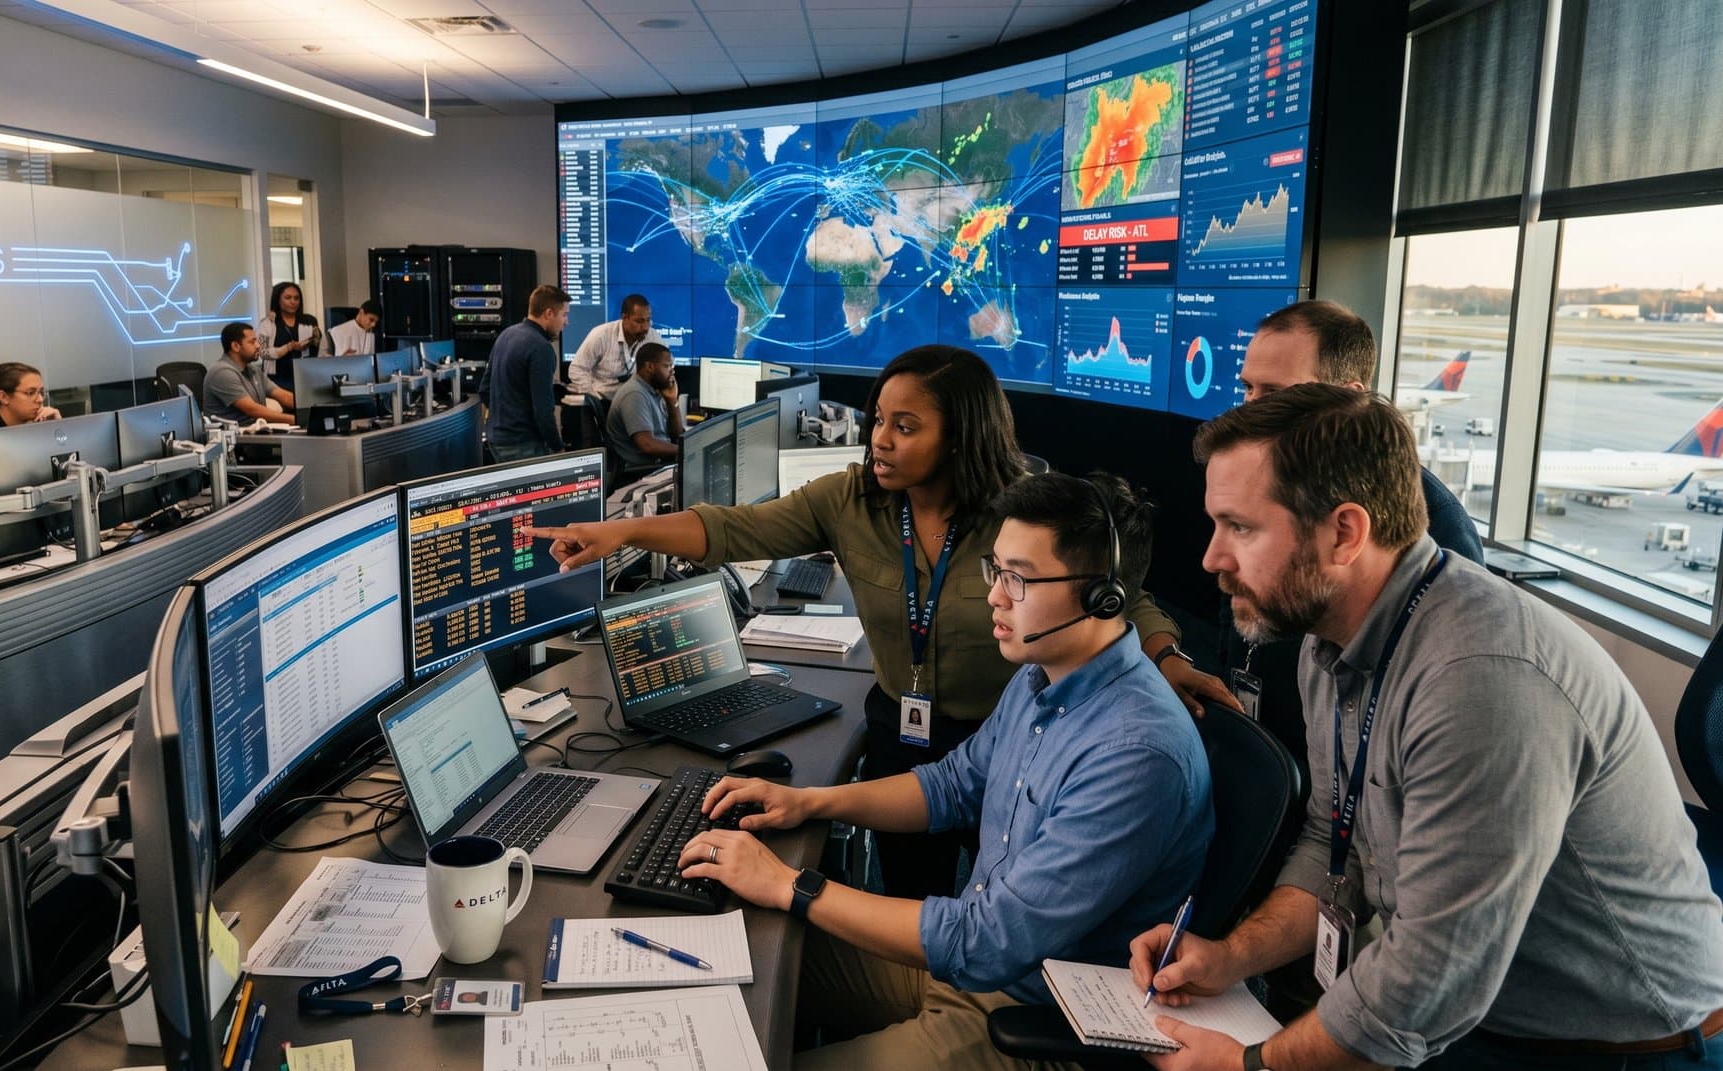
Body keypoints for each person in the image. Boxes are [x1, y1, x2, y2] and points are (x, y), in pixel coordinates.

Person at [1131, 384, 1723, 1071]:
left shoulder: (1482, 680)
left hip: (1625, 1047)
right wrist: (1232, 955)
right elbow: (1334, 842)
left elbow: (1432, 975)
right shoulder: (1329, 643)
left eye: (1241, 527)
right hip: (1481, 1013)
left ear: (1346, 533)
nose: (1211, 558)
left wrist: (1245, 1065)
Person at [532, 345, 1218, 899]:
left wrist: (1165, 656)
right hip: (903, 733)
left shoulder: (1022, 515)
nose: (880, 441)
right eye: (878, 419)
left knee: (1009, 906)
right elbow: (731, 529)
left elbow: (1114, 592)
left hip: (1003, 737)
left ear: (963, 435)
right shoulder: (852, 499)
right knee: (911, 901)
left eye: (906, 425)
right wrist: (619, 531)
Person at [677, 472, 1211, 1070]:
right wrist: (810, 803)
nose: (995, 596)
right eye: (996, 570)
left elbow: (986, 941)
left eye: (1018, 578)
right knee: (739, 954)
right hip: (968, 970)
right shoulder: (1042, 676)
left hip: (1033, 1016)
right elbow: (951, 786)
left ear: (1101, 598)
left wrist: (789, 884)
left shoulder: (1135, 753)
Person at [1216, 301, 1484, 764]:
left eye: (1275, 392)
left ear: (1345, 397)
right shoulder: (1261, 489)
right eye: (1248, 388)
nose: (1250, 409)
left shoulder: (1436, 525)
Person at [486, 284, 570, 461]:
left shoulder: (506, 335)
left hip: (497, 439)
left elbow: (484, 389)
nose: (566, 322)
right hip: (524, 445)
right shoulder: (541, 348)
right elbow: (543, 411)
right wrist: (558, 448)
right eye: (564, 315)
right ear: (549, 313)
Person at [603, 342, 683, 468]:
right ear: (650, 367)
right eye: (667, 366)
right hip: (642, 472)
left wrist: (672, 401)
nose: (672, 371)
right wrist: (685, 450)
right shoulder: (634, 394)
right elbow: (647, 445)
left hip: (658, 464)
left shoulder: (654, 389)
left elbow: (676, 435)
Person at [202, 321, 295, 426]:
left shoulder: (253, 369)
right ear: (236, 346)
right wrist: (294, 419)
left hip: (256, 430)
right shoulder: (221, 372)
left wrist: (311, 408)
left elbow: (281, 394)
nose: (258, 345)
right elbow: (251, 410)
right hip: (235, 437)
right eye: (252, 342)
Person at [569, 293, 655, 400]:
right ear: (625, 318)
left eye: (648, 320)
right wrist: (593, 397)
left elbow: (667, 366)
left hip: (637, 401)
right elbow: (576, 369)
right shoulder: (601, 335)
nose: (645, 327)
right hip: (604, 400)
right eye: (639, 321)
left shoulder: (652, 336)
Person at [0, 362, 62, 429]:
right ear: (4, 397)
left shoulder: (33, 425)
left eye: (41, 392)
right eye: (30, 393)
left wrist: (57, 427)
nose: (40, 400)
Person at [256, 281, 319, 378]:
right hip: (276, 379)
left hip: (306, 376)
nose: (293, 302)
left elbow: (318, 346)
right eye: (288, 298)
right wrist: (288, 347)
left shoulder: (309, 320)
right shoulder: (268, 323)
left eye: (296, 298)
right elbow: (262, 352)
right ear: (278, 300)